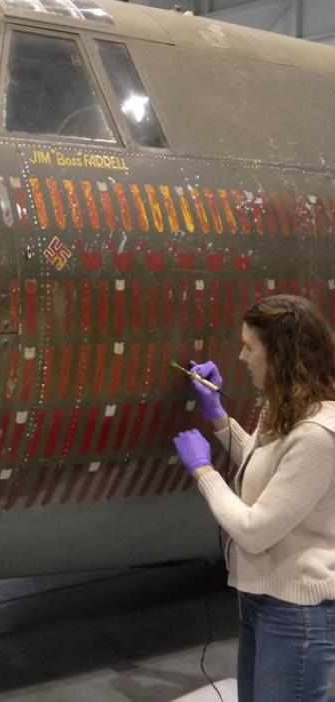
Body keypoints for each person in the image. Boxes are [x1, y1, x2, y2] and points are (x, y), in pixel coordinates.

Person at [173, 294, 335, 701]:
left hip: (296, 615)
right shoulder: (286, 409)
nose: (240, 358)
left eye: (249, 347)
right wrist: (218, 419)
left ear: (279, 355)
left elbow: (255, 530)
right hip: (262, 601)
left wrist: (204, 472)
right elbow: (266, 470)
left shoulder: (318, 435)